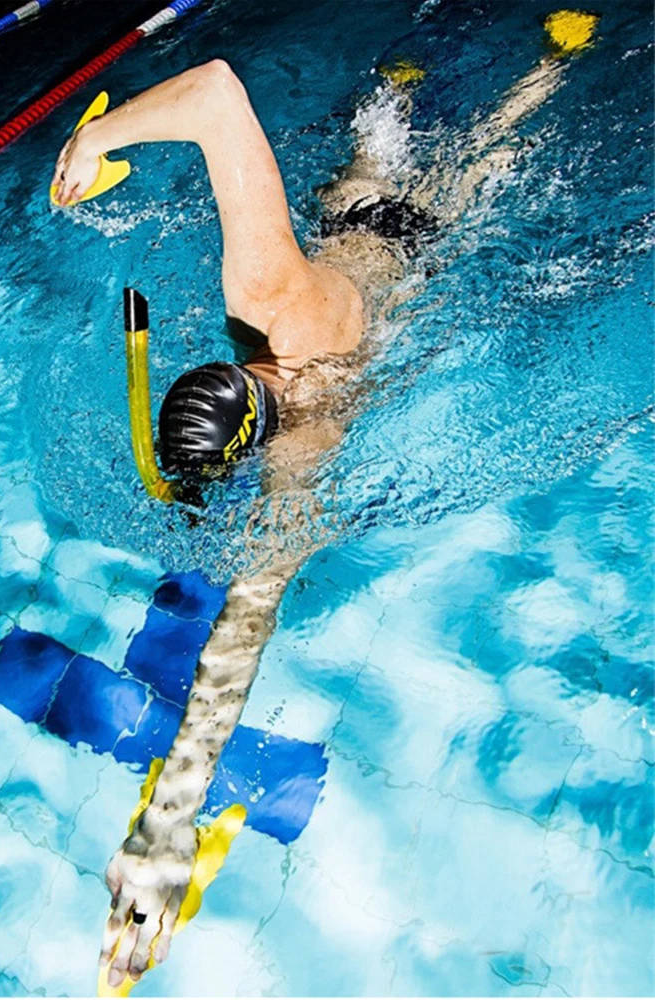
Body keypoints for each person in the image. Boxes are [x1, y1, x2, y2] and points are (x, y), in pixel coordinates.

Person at [50, 11, 596, 988]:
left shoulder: (306, 446)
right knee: (416, 150)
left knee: (483, 155)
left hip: (411, 265)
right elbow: (215, 90)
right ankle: (516, 58)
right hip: (364, 237)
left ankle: (549, 56)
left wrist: (168, 826)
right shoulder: (260, 290)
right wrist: (95, 136)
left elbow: (244, 630)